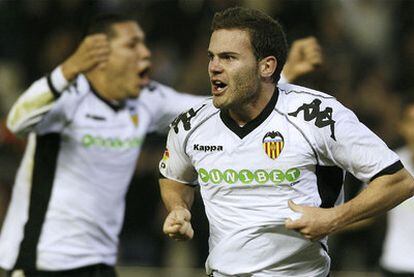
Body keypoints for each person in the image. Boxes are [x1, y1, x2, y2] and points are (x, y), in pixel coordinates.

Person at [0, 12, 321, 277]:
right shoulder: (67, 98)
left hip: (98, 258)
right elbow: (17, 121)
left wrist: (284, 74)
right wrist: (69, 68)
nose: (144, 52)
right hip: (40, 257)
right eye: (132, 44)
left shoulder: (146, 99)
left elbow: (215, 107)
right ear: (99, 54)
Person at [159, 7, 414, 277]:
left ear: (266, 66)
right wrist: (178, 208)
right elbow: (174, 177)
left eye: (229, 57)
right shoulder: (190, 124)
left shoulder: (318, 116)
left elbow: (398, 181)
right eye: (212, 57)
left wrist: (332, 219)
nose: (214, 67)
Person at [379, 99, 414, 277]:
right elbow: (365, 210)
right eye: (412, 122)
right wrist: (329, 220)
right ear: (401, 126)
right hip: (395, 265)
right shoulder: (389, 164)